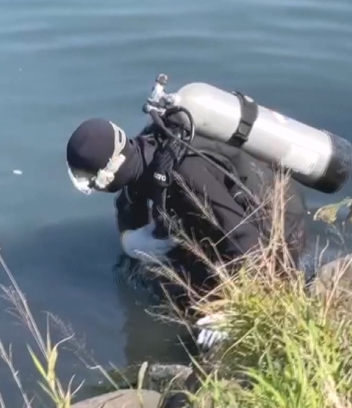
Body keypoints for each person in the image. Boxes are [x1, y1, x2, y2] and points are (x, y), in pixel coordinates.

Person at [65, 117, 307, 345]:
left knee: (193, 304)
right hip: (239, 219)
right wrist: (131, 238)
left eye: (90, 179)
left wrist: (232, 310)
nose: (92, 186)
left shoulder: (185, 174)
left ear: (109, 171)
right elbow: (127, 202)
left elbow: (247, 241)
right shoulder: (144, 154)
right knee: (173, 277)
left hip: (278, 227)